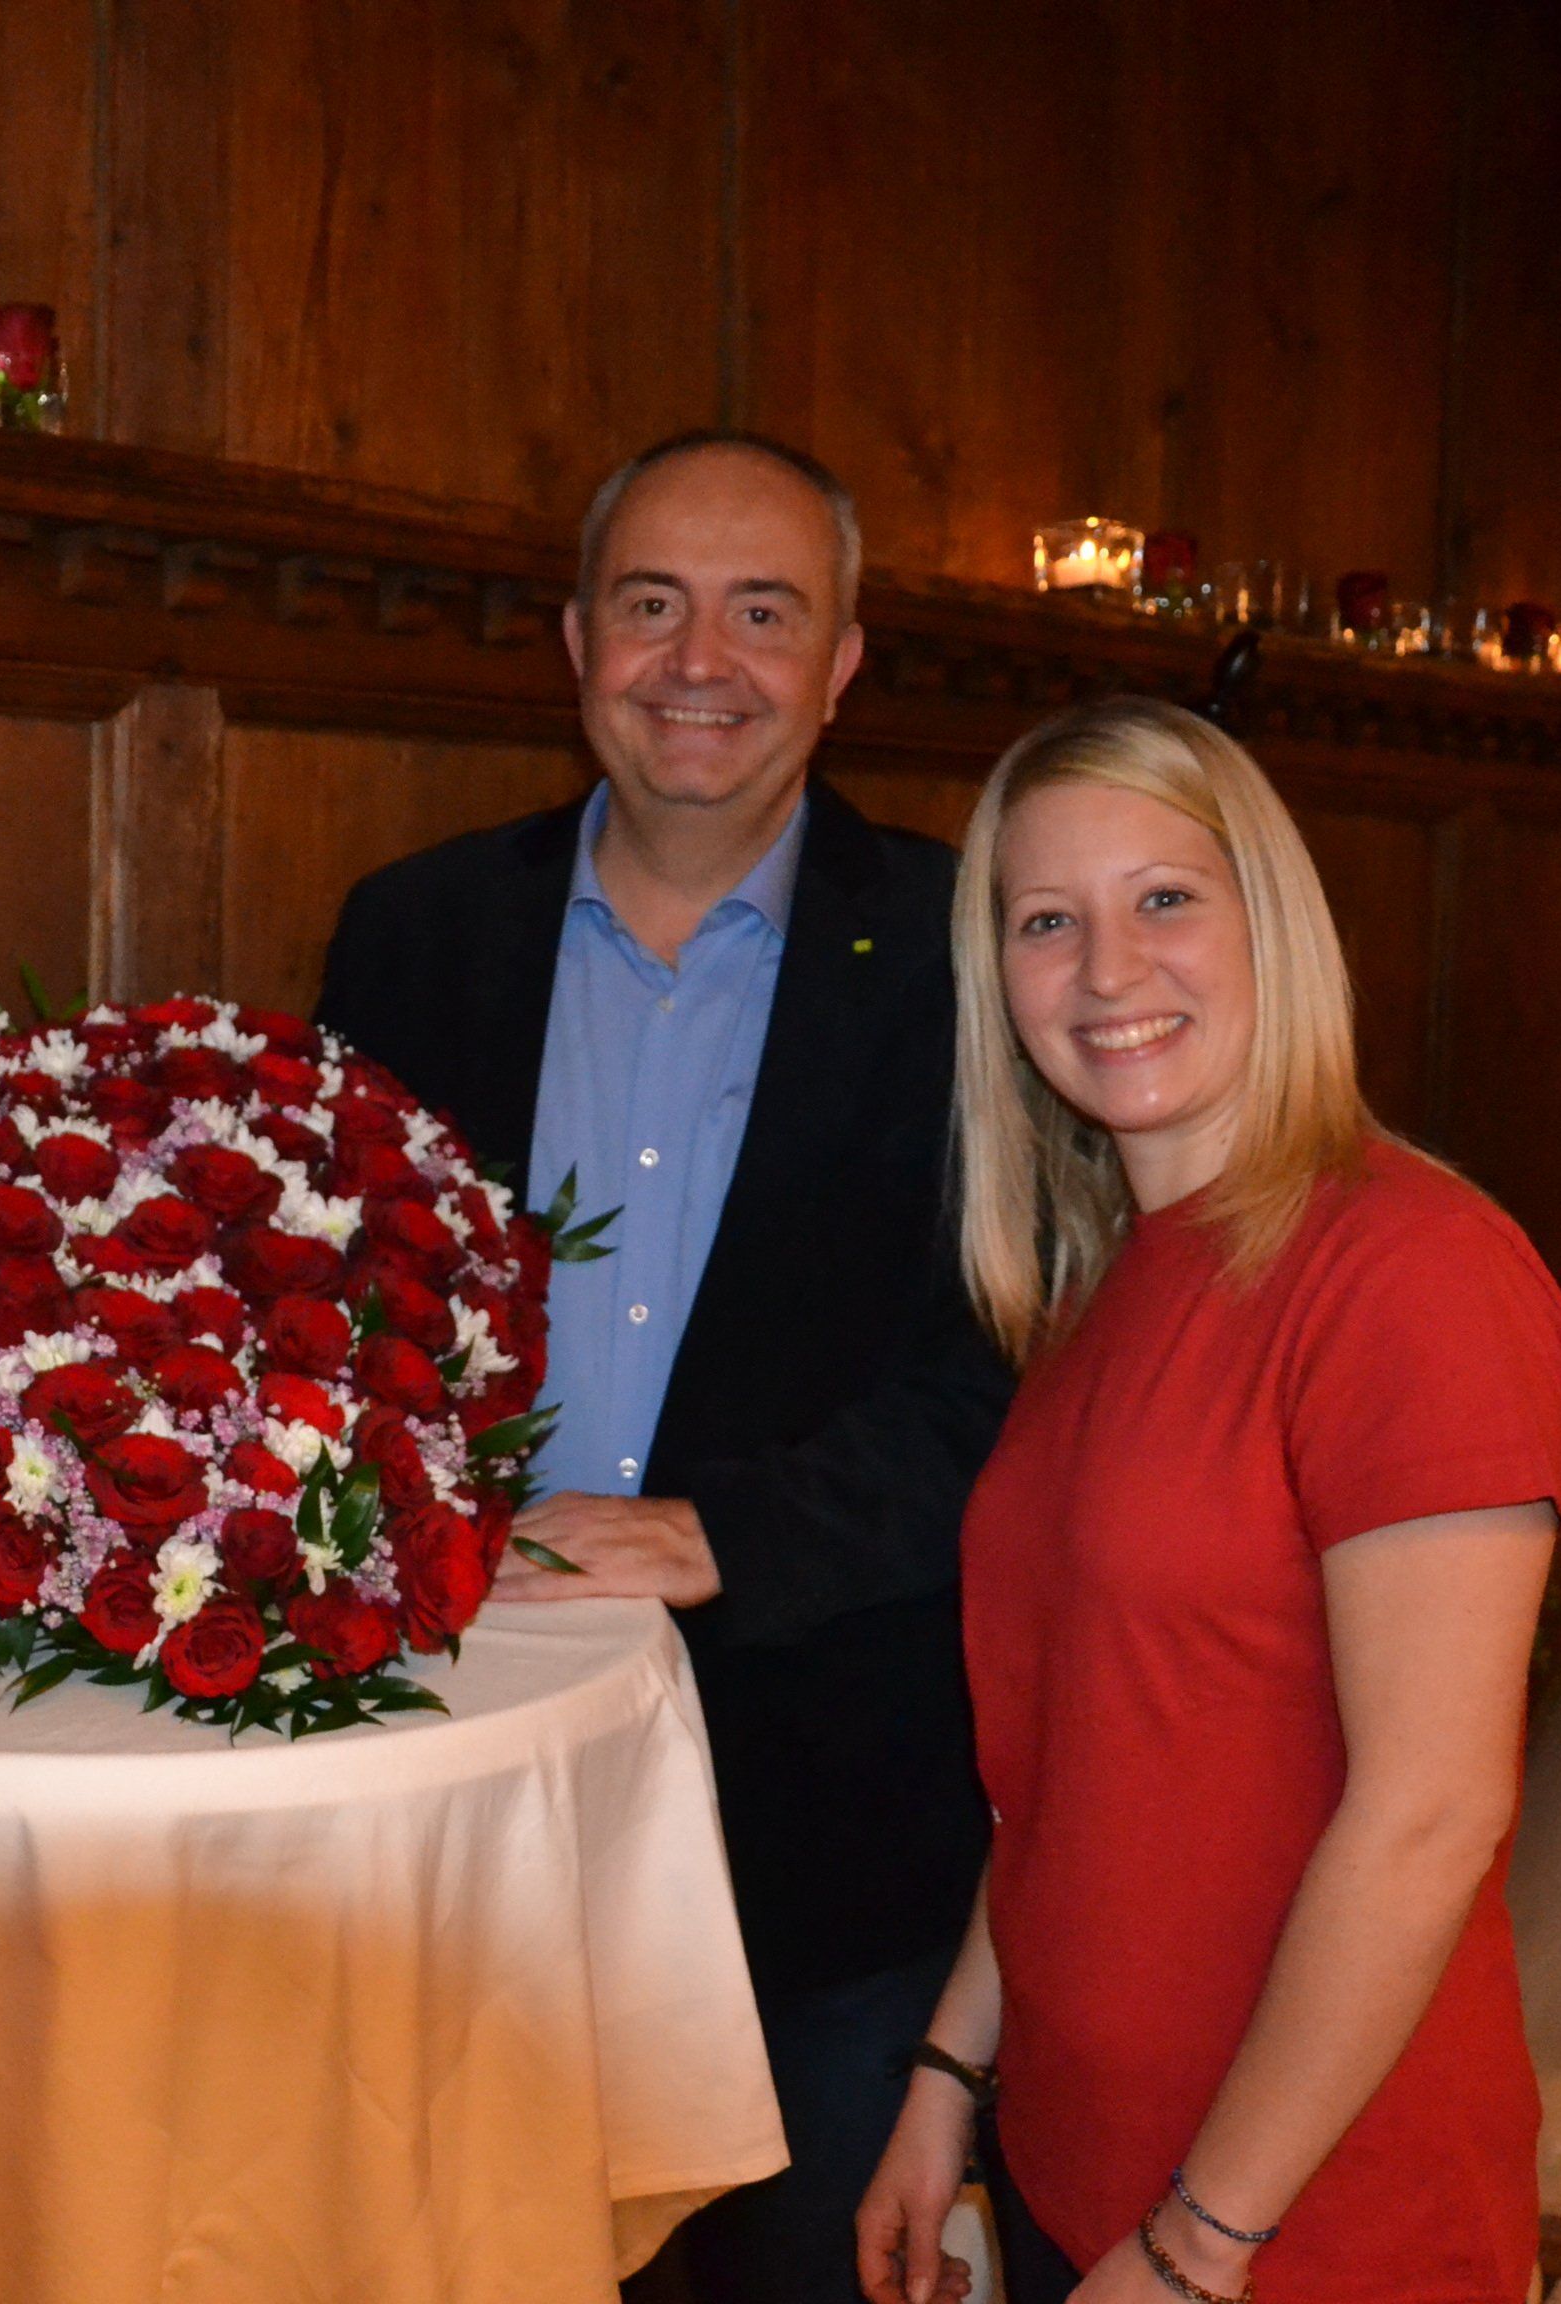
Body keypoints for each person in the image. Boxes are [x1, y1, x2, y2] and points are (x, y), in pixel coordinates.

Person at [316, 433, 1014, 2303]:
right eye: (653, 604)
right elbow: (325, 1321)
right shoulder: (412, 932)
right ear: (577, 642)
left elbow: (1010, 1387)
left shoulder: (970, 954)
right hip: (459, 1794)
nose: (701, 660)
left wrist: (732, 1533)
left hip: (824, 1826)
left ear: (841, 663)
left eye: (763, 613)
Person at [857, 696, 1561, 2304]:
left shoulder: (1408, 1270)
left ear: (1273, 923)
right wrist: (949, 2081)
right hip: (1089, 2165)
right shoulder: (1103, 1282)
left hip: (1307, 2223)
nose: (1108, 972)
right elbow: (1066, 1771)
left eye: (1165, 898)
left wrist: (1198, 2246)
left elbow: (1430, 1814)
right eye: (1047, 922)